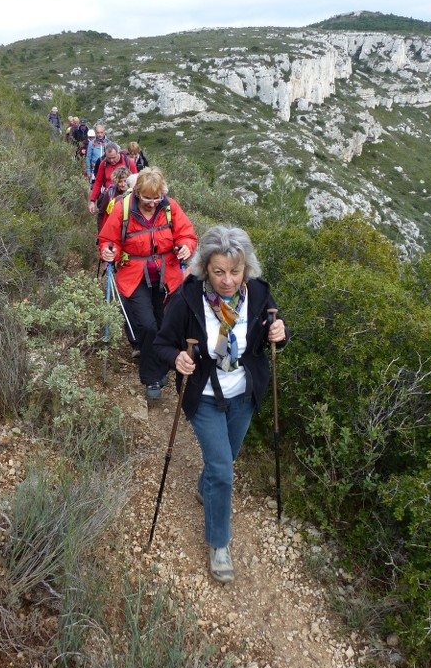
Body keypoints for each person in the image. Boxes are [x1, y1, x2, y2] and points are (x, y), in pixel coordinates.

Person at [153, 225, 288, 584]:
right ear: (205, 269)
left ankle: (205, 486)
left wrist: (280, 333)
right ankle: (219, 543)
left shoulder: (259, 293)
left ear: (246, 268)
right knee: (224, 471)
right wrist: (176, 359)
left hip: (244, 394)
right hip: (205, 396)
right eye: (218, 272)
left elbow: (271, 327)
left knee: (224, 460)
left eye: (235, 271)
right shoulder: (186, 299)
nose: (228, 281)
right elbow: (162, 343)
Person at [98, 167, 197, 400]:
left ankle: (161, 367)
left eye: (157, 198)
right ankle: (152, 378)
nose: (152, 203)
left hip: (167, 275)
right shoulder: (123, 209)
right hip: (134, 276)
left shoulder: (170, 207)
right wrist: (108, 251)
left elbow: (187, 235)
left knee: (165, 325)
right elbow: (108, 239)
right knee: (148, 325)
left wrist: (185, 246)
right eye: (147, 198)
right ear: (137, 192)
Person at [88, 142, 137, 217]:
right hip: (109, 199)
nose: (111, 160)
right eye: (109, 158)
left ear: (118, 153)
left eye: (113, 157)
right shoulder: (103, 164)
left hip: (126, 200)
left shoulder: (129, 163)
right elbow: (98, 182)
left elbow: (136, 181)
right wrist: (92, 201)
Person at [96, 165, 131, 233]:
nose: (123, 184)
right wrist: (101, 233)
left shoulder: (133, 193)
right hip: (113, 230)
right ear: (116, 181)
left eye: (125, 181)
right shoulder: (110, 193)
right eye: (120, 181)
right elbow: (101, 214)